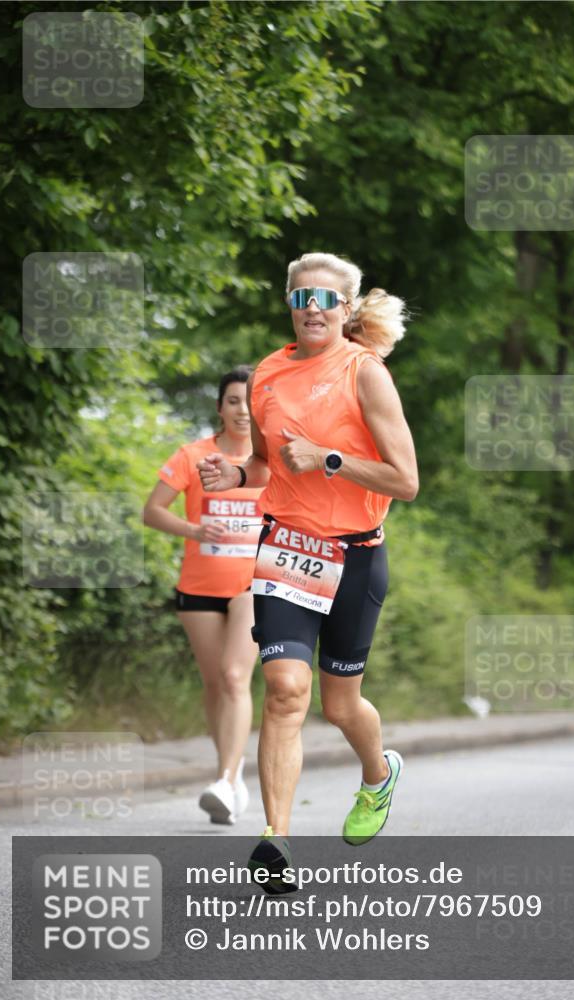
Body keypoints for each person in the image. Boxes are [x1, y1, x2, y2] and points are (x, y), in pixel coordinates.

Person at [198, 251, 419, 885]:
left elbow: (405, 481)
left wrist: (328, 458)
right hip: (287, 548)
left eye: (326, 300)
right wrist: (239, 473)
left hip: (355, 554)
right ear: (290, 305)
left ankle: (378, 775)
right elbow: (270, 464)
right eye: (302, 299)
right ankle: (277, 841)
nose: (313, 309)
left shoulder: (365, 373)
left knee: (341, 705)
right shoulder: (267, 374)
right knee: (287, 691)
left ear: (346, 311)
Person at [143, 366, 264, 822]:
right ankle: (228, 777)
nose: (242, 410)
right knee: (214, 684)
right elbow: (152, 511)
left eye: (249, 401)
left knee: (235, 677)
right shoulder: (194, 455)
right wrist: (194, 528)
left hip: (254, 583)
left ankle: (227, 781)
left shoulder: (267, 463)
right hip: (199, 585)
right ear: (219, 407)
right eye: (233, 401)